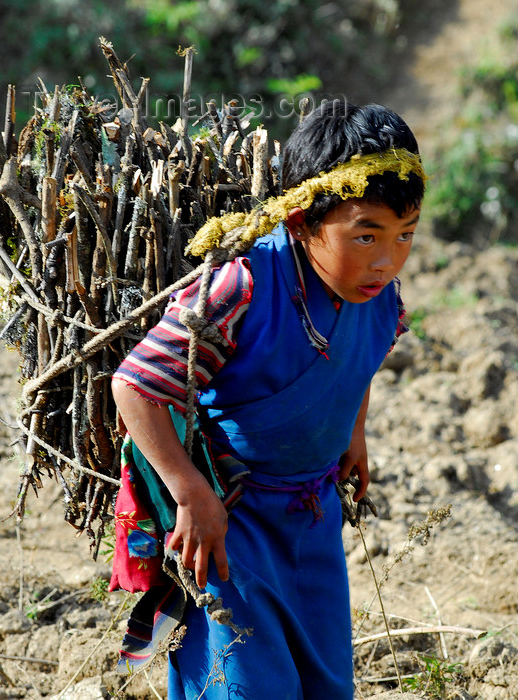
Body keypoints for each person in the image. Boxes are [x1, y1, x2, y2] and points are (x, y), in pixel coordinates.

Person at [110, 100, 426, 699]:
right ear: (303, 222)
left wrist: (352, 434)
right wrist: (190, 493)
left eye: (404, 234)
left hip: (312, 518)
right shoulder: (243, 286)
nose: (387, 259)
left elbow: (361, 360)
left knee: (325, 680)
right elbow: (136, 385)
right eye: (365, 236)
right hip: (233, 522)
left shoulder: (379, 294)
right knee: (247, 683)